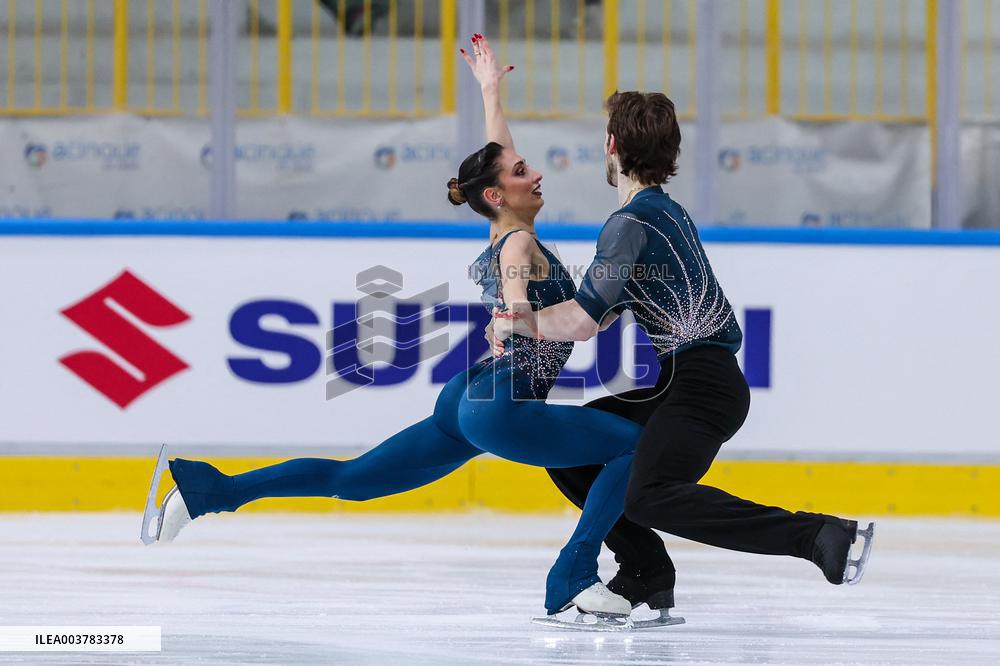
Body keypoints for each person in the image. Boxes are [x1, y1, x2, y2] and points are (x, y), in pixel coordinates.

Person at [144, 34, 648, 620]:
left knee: (353, 480)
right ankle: (573, 575)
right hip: (500, 403)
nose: (534, 173)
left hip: (469, 396)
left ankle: (212, 491)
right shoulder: (519, 242)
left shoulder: (501, 223)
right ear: (496, 192)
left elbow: (497, 151)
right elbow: (515, 292)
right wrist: (514, 318)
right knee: (636, 447)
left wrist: (490, 89)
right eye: (520, 170)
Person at [492, 89, 875, 611]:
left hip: (700, 386)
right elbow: (599, 314)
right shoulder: (666, 212)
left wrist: (522, 323)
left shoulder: (628, 224)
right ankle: (646, 571)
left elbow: (581, 324)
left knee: (652, 495)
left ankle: (818, 536)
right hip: (680, 381)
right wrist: (533, 318)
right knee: (570, 449)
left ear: (610, 145)